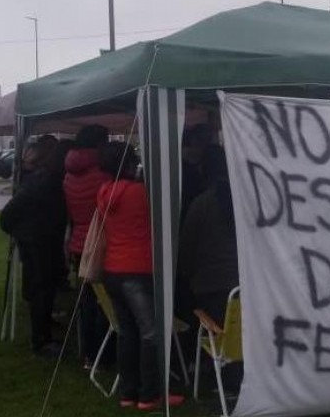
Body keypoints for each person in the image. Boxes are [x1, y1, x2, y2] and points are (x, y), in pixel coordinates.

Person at [97, 142, 185, 410]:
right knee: (151, 333)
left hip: (112, 269)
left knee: (128, 333)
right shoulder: (140, 192)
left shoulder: (104, 192)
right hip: (138, 269)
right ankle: (149, 395)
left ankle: (128, 392)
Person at [177, 145, 242, 397]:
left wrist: (184, 274)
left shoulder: (202, 204)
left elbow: (187, 248)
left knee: (213, 326)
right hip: (246, 283)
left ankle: (221, 377)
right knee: (239, 332)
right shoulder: (246, 199)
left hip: (210, 287)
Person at [0, 138, 71, 358]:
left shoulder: (48, 178)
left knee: (44, 287)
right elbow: (12, 210)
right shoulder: (43, 180)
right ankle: (41, 342)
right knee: (41, 288)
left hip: (42, 238)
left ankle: (44, 329)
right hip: (37, 240)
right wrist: (16, 230)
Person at [63, 124, 113, 368]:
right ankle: (102, 353)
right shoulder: (102, 176)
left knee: (85, 301)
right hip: (100, 243)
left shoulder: (70, 173)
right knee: (105, 303)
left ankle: (87, 353)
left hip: (78, 243)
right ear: (99, 145)